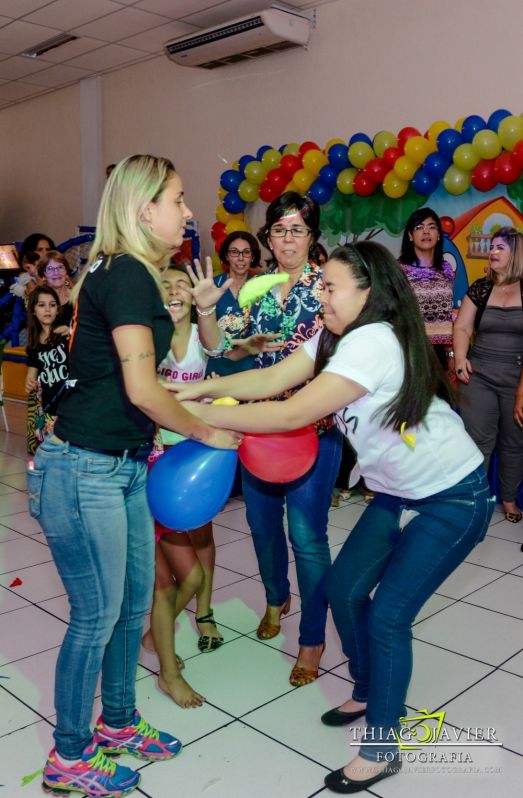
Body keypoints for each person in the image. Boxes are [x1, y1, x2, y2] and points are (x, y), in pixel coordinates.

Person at [174, 241, 494, 793]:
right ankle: (369, 689)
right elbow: (273, 381)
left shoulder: (371, 340)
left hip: (452, 497)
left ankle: (384, 745)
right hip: (399, 493)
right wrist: (202, 386)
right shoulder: (335, 334)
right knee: (344, 590)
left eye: (330, 287)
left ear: (367, 294)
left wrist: (189, 411)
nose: (319, 294)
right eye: (320, 285)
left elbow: (295, 410)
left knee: (389, 615)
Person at [28, 155, 240, 798]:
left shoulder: (144, 277)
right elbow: (145, 390)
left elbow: (167, 374)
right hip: (81, 468)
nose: (188, 211)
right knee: (95, 615)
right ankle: (69, 758)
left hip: (122, 468)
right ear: (145, 209)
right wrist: (207, 431)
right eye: (178, 198)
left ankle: (117, 722)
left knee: (128, 611)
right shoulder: (121, 275)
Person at [180, 191, 343, 687]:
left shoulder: (328, 287)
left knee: (308, 539)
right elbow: (224, 352)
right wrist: (208, 310)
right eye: (278, 230)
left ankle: (312, 638)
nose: (287, 238)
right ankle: (276, 598)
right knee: (261, 526)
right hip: (259, 428)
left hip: (315, 428)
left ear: (312, 235)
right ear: (268, 237)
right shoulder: (255, 290)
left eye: (296, 229)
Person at [142, 265, 224, 709]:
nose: (173, 291)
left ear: (193, 297)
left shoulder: (199, 329)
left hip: (190, 460)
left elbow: (214, 343)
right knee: (168, 578)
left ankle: (157, 638)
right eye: (165, 286)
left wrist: (208, 308)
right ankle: (168, 672)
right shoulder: (146, 335)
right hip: (147, 462)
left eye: (181, 285)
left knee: (189, 574)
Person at [454, 226, 523, 523]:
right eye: (491, 247)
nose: (492, 252)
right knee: (478, 441)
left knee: (513, 443)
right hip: (479, 374)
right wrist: (460, 358)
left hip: (517, 377)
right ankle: (475, 501)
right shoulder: (480, 288)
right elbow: (462, 327)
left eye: (500, 248)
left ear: (515, 254)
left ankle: (509, 500)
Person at [399, 207, 455, 375]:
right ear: (410, 236)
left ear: (438, 235)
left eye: (431, 227)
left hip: (438, 353)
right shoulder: (398, 270)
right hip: (408, 348)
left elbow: (447, 314)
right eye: (419, 227)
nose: (426, 231)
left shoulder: (446, 269)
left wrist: (450, 352)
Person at [208, 231, 261, 377]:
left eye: (246, 252)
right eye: (234, 252)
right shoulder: (213, 286)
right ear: (226, 256)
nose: (241, 258)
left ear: (253, 257)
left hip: (250, 365)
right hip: (218, 363)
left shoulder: (261, 288)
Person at [25, 286, 69, 454]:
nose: (48, 309)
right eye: (41, 305)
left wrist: (72, 333)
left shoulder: (65, 334)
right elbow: (30, 377)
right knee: (53, 455)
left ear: (58, 309)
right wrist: (29, 383)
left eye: (52, 305)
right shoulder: (34, 345)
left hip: (71, 405)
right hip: (50, 409)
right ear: (34, 311)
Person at [40, 250, 74, 326]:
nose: (56, 272)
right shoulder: (39, 301)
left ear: (66, 272)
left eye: (60, 267)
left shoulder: (78, 297)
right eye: (50, 268)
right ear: (44, 275)